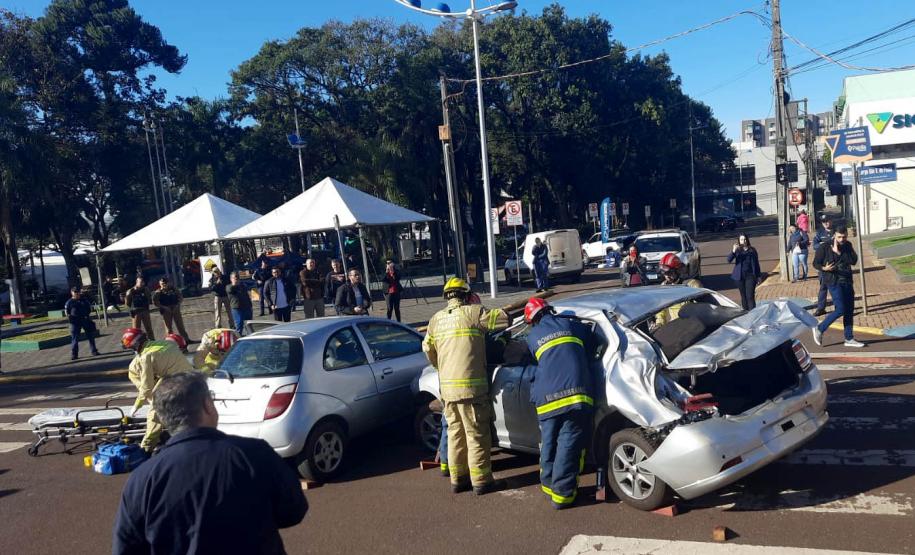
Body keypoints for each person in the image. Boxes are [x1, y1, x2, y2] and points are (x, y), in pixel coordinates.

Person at [112, 372, 307, 554]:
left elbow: (127, 547)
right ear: (207, 405)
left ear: (163, 419)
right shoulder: (255, 454)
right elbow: (293, 511)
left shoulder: (142, 479)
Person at [422, 277, 510, 495]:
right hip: (472, 390)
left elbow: (427, 349)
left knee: (455, 434)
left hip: (448, 391)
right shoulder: (474, 313)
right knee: (476, 435)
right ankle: (482, 482)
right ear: (467, 295)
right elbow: (503, 320)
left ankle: (458, 480)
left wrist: (441, 365)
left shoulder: (436, 320)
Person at [523, 298, 594, 509]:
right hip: (575, 394)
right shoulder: (571, 325)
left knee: (550, 442)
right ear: (549, 310)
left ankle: (548, 486)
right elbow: (592, 342)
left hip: (546, 399)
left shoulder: (532, 336)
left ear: (532, 320)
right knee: (568, 443)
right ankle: (563, 496)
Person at [121, 328, 194, 452]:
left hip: (175, 382)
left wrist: (137, 405)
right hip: (192, 379)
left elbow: (146, 387)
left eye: (132, 348)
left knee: (155, 413)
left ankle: (146, 448)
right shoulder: (167, 343)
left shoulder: (145, 358)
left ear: (136, 345)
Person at [812, 225, 865, 348]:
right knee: (840, 309)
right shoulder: (824, 247)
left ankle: (849, 338)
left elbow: (853, 260)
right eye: (839, 237)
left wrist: (839, 253)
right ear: (834, 235)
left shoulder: (847, 245)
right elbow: (816, 263)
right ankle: (820, 328)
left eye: (844, 237)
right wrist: (824, 268)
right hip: (834, 282)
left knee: (849, 310)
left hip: (847, 281)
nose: (842, 239)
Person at [653, 254, 703, 329]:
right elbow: (661, 310)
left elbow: (702, 308)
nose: (667, 276)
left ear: (678, 271)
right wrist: (659, 324)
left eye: (669, 273)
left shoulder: (692, 285)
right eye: (664, 273)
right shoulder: (663, 287)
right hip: (673, 329)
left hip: (692, 327)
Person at [727, 234, 762, 311]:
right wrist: (733, 250)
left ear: (747, 240)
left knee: (750, 296)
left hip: (751, 276)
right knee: (743, 296)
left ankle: (753, 314)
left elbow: (756, 263)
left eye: (745, 239)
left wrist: (759, 276)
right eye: (742, 240)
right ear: (739, 241)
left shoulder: (752, 250)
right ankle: (746, 313)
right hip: (739, 277)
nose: (744, 241)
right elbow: (728, 260)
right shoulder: (737, 250)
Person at [64, 287, 100, 360]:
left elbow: (89, 309)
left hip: (85, 319)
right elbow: (67, 312)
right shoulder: (69, 302)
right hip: (75, 322)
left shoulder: (84, 300)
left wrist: (86, 315)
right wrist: (71, 318)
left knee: (90, 336)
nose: (77, 293)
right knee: (75, 338)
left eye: (77, 292)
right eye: (75, 292)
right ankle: (74, 354)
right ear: (72, 293)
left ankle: (94, 351)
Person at [152, 277, 190, 343]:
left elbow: (180, 297)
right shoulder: (158, 292)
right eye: (162, 284)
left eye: (165, 283)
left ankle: (186, 340)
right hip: (166, 310)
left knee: (180, 326)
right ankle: (170, 342)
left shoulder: (174, 289)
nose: (164, 285)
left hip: (175, 308)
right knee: (168, 328)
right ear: (160, 284)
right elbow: (155, 302)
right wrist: (164, 307)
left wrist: (178, 305)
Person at [812, 215, 835, 316]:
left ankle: (839, 307)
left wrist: (823, 243)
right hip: (823, 265)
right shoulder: (819, 233)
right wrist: (826, 243)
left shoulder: (836, 232)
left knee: (836, 287)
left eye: (827, 221)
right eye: (823, 222)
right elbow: (815, 245)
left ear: (831, 221)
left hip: (835, 263)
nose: (825, 223)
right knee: (823, 287)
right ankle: (821, 308)